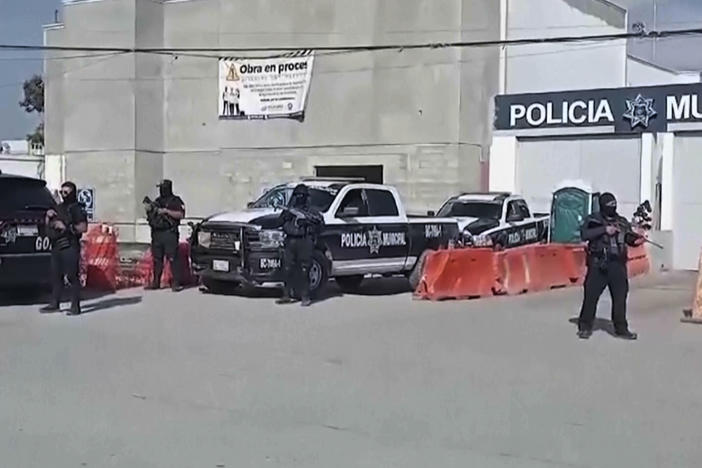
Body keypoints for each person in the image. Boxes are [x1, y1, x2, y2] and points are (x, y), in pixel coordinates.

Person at [577, 192, 644, 340]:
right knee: (591, 297)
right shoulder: (594, 219)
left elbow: (628, 238)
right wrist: (604, 230)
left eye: (614, 205)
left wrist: (637, 240)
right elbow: (584, 234)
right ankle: (585, 326)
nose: (612, 209)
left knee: (620, 298)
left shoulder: (621, 221)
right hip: (598, 264)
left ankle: (621, 329)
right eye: (609, 206)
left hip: (617, 265)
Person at [41, 181, 88, 316]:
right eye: (62, 192)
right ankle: (55, 303)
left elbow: (83, 227)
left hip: (70, 245)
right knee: (56, 276)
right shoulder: (58, 207)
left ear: (72, 193)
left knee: (72, 276)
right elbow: (49, 225)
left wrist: (66, 227)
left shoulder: (77, 208)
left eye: (66, 192)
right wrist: (48, 217)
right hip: (56, 245)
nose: (63, 195)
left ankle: (75, 306)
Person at [274, 184, 323, 307]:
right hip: (290, 241)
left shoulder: (312, 211)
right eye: (297, 196)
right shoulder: (289, 210)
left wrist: (307, 223)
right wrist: (286, 216)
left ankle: (305, 296)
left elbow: (320, 225)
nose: (299, 198)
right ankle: (286, 295)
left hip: (304, 240)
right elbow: (278, 223)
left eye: (302, 196)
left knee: (304, 269)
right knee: (287, 269)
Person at [145, 179, 185, 292]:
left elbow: (181, 215)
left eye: (163, 188)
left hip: (169, 233)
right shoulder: (157, 201)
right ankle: (156, 282)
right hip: (157, 233)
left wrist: (166, 211)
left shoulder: (175, 201)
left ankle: (176, 283)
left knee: (173, 258)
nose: (161, 190)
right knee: (157, 259)